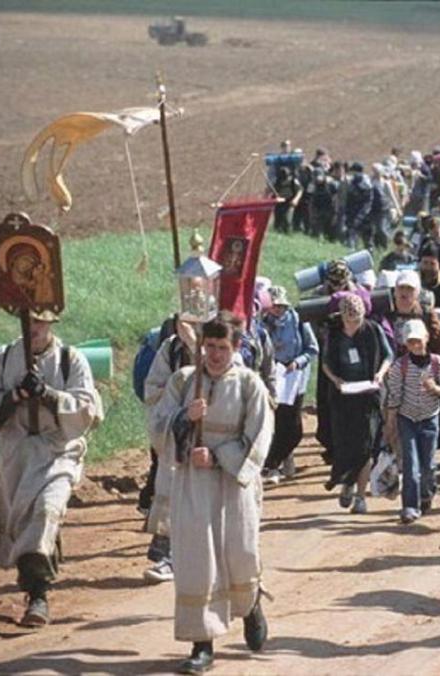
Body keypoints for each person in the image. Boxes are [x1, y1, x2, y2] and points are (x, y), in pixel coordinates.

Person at [149, 312, 273, 674]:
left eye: (222, 347)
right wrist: (185, 420)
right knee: (197, 562)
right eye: (209, 347)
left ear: (236, 347)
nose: (215, 355)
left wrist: (219, 455)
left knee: (241, 554)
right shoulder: (184, 381)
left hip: (234, 486)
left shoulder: (250, 385)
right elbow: (157, 428)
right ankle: (202, 643)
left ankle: (250, 607)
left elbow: (259, 439)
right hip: (193, 484)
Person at [0, 310, 104, 626]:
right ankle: (38, 571)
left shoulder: (71, 359)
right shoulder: (4, 358)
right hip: (16, 453)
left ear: (51, 323)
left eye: (41, 322)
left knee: (46, 509)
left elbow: (86, 409)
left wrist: (48, 394)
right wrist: (15, 395)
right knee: (25, 521)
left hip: (58, 450)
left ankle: (38, 594)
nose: (34, 328)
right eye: (29, 321)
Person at [321, 294, 393, 514]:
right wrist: (336, 380)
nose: (353, 324)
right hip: (343, 399)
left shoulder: (372, 330)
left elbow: (388, 356)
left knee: (366, 447)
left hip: (368, 397)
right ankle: (347, 483)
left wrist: (380, 375)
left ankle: (361, 497)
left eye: (357, 320)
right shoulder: (334, 335)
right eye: (349, 320)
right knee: (346, 446)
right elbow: (325, 363)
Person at [142, 315, 198, 584]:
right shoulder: (170, 349)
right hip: (176, 428)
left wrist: (197, 345)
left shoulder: (223, 341)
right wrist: (177, 396)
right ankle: (171, 555)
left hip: (212, 434)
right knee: (172, 489)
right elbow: (152, 388)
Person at [383, 319, 440, 524]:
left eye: (418, 340)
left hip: (430, 418)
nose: (415, 345)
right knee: (411, 465)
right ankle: (409, 506)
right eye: (411, 341)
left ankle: (427, 494)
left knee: (428, 465)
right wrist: (391, 422)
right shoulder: (399, 366)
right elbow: (394, 395)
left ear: (426, 339)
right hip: (408, 419)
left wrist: (435, 389)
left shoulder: (437, 363)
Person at [261, 286, 318, 484]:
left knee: (293, 428)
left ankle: (276, 460)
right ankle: (273, 465)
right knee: (275, 423)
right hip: (273, 377)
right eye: (274, 306)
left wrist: (298, 362)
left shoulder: (298, 320)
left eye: (282, 306)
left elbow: (312, 349)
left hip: (295, 377)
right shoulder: (262, 325)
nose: (278, 311)